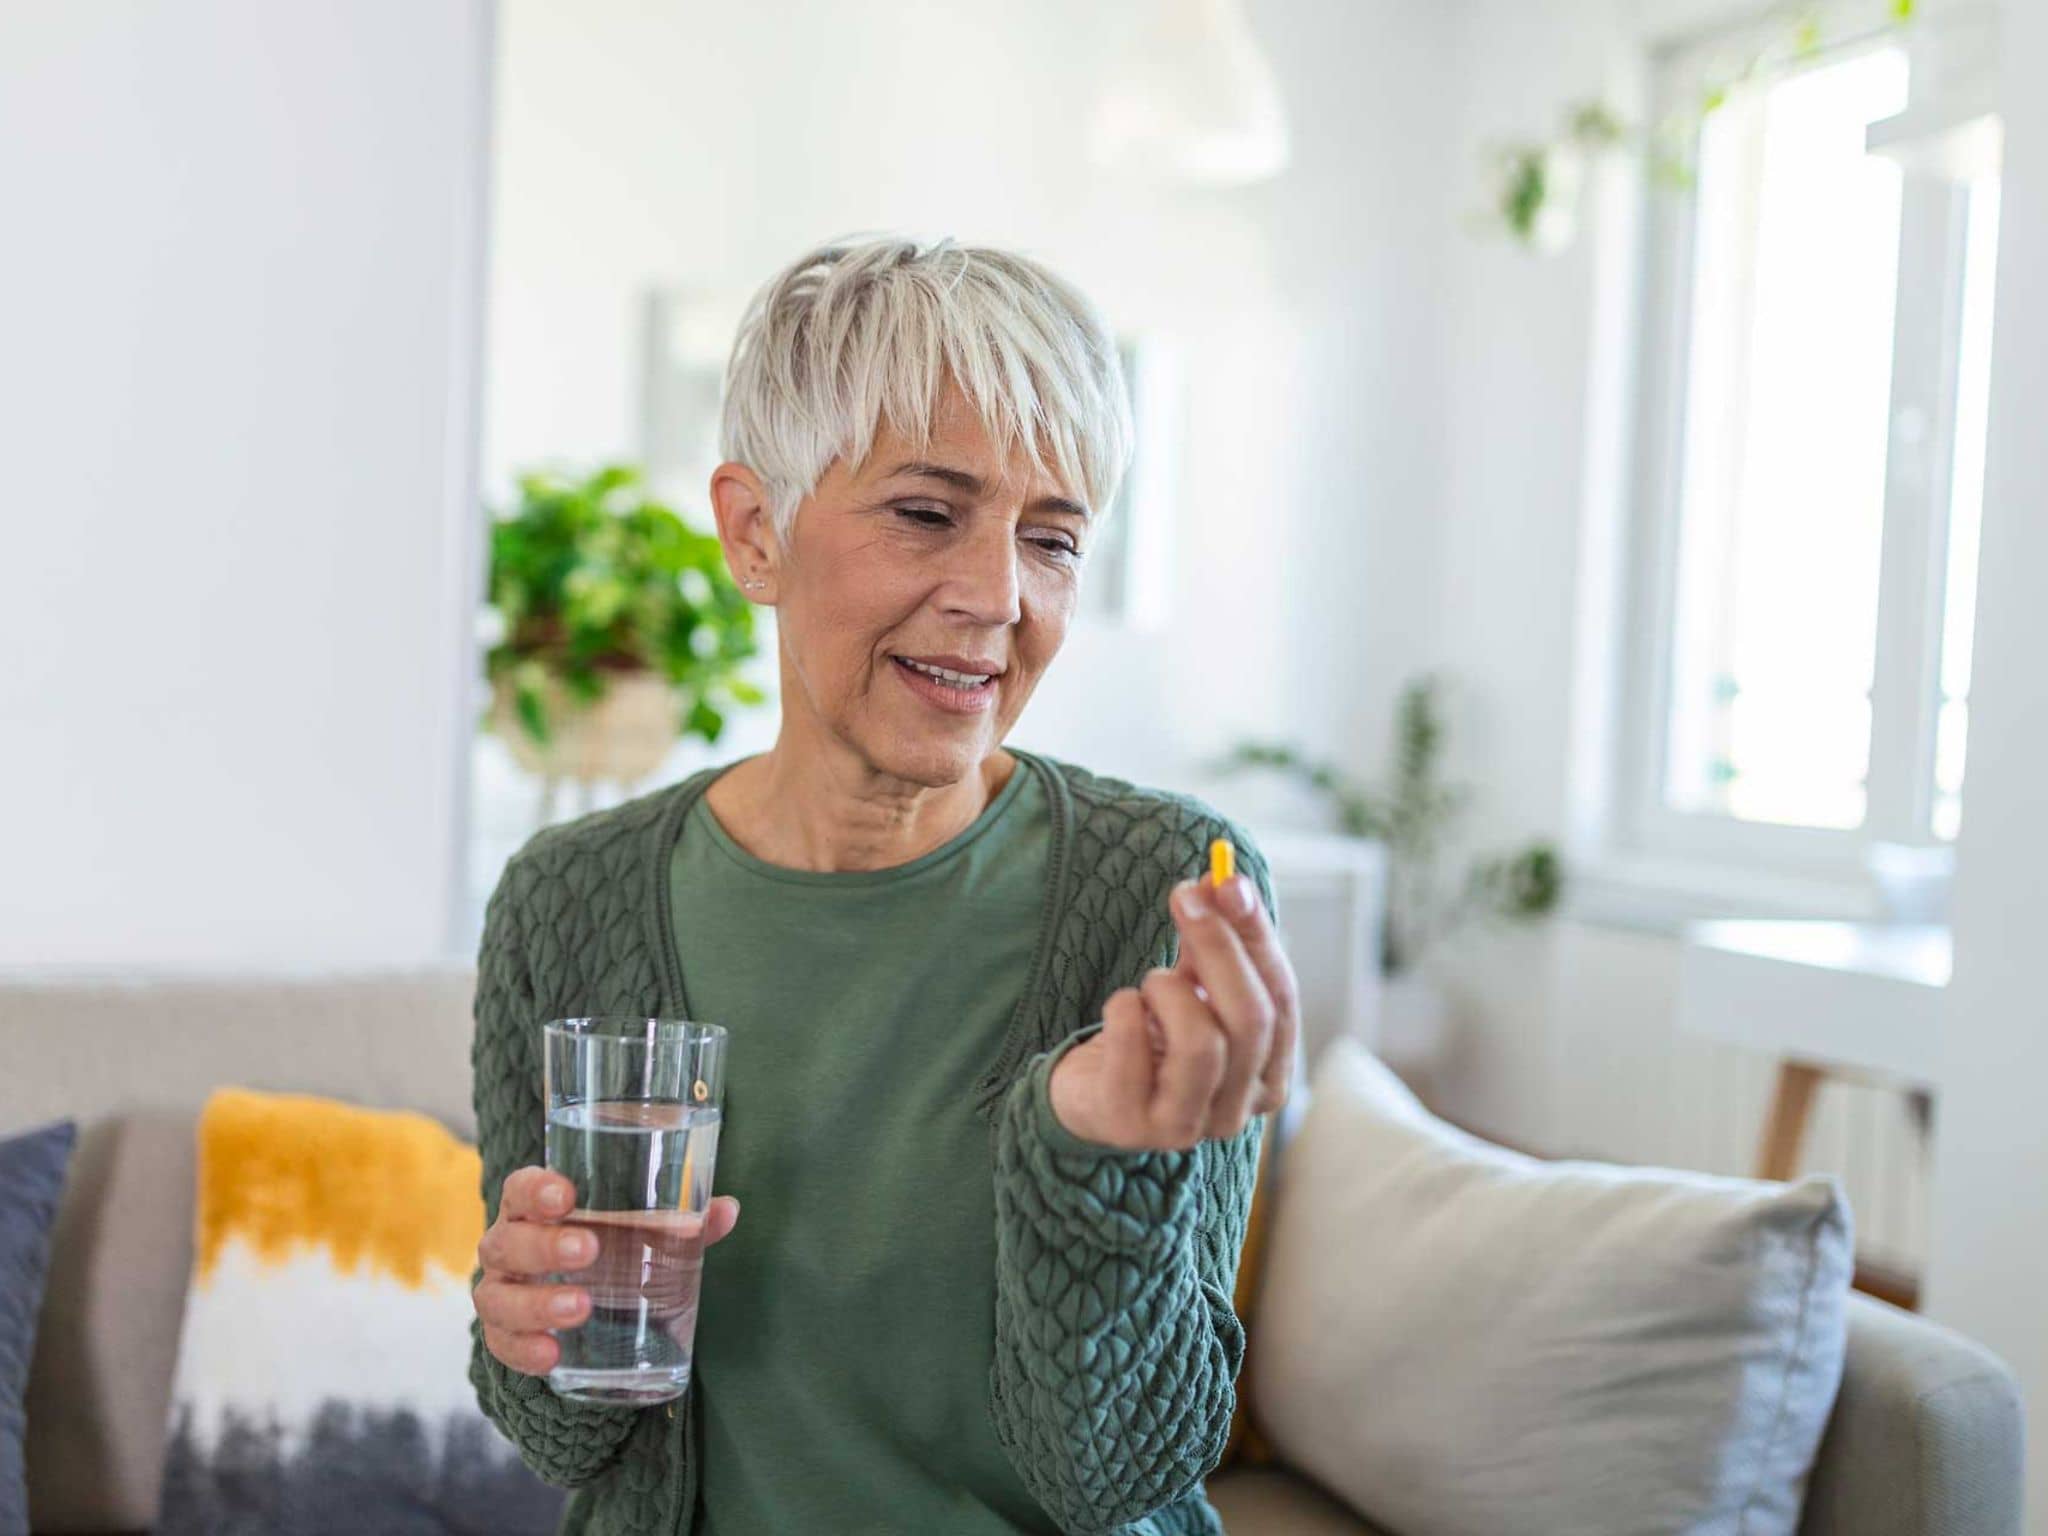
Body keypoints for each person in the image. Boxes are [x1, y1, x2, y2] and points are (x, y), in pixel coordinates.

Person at [467, 234, 1300, 1536]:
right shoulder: (570, 900)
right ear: (755, 532)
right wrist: (528, 1319)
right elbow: (565, 1432)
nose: (998, 597)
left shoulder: (1164, 892)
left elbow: (1122, 1477)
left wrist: (1089, 1158)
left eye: (1052, 539)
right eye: (927, 513)